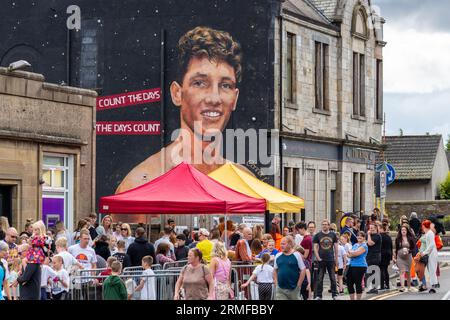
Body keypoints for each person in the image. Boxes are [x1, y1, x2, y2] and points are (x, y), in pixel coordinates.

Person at [313, 219, 339, 300]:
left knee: (333, 278)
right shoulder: (317, 235)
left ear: (328, 226)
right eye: (323, 224)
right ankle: (319, 296)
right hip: (321, 260)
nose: (324, 225)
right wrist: (318, 258)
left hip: (331, 259)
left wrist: (336, 258)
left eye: (326, 224)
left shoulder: (333, 235)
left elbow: (336, 247)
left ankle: (334, 295)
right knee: (320, 279)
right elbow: (315, 247)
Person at [274, 236, 306, 300]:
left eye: (283, 244)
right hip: (280, 289)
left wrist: (298, 285)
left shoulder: (296, 255)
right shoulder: (278, 255)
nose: (281, 246)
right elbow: (275, 270)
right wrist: (276, 283)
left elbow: (303, 269)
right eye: (281, 244)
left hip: (294, 288)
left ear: (290, 244)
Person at [346, 231, 368, 300]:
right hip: (351, 265)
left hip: (360, 266)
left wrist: (352, 253)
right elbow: (348, 254)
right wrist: (352, 253)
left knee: (358, 283)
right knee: (349, 283)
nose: (359, 237)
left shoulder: (364, 245)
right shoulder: (355, 245)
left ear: (364, 238)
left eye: (361, 236)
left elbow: (356, 253)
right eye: (358, 235)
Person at [419, 220, 439, 293]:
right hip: (431, 253)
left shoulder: (430, 233)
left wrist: (425, 252)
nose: (422, 227)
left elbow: (432, 244)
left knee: (432, 270)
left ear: (424, 226)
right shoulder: (428, 233)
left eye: (422, 225)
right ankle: (433, 286)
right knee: (430, 270)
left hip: (432, 254)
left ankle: (433, 287)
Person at [394, 225, 415, 292]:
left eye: (405, 230)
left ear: (407, 231)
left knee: (408, 272)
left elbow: (413, 248)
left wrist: (409, 251)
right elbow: (396, 249)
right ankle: (402, 287)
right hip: (400, 258)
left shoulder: (410, 238)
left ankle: (409, 287)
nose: (403, 231)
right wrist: (395, 258)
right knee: (402, 271)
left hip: (408, 258)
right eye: (402, 230)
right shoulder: (398, 239)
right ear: (400, 231)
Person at [365, 223, 382, 294]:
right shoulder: (371, 236)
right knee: (370, 272)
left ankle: (374, 288)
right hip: (369, 256)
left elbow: (370, 243)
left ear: (376, 228)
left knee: (373, 272)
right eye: (370, 228)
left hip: (375, 256)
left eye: (372, 228)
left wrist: (368, 235)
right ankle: (372, 288)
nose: (370, 229)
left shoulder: (377, 236)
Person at [379, 221, 393, 291]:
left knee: (381, 270)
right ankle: (387, 285)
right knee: (386, 269)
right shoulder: (388, 237)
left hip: (382, 254)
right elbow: (391, 247)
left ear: (382, 229)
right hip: (388, 254)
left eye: (379, 228)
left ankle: (382, 285)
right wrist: (391, 256)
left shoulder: (380, 236)